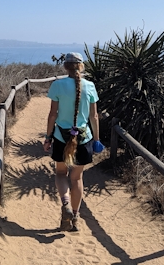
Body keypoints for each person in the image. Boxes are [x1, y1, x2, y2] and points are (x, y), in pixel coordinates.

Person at [43, 52, 100, 231]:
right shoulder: (90, 86)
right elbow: (94, 116)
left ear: (65, 67)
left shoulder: (57, 85)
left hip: (61, 137)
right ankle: (75, 216)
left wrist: (48, 137)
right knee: (77, 178)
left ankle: (65, 203)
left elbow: (53, 114)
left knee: (61, 174)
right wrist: (97, 140)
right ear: (81, 66)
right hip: (83, 139)